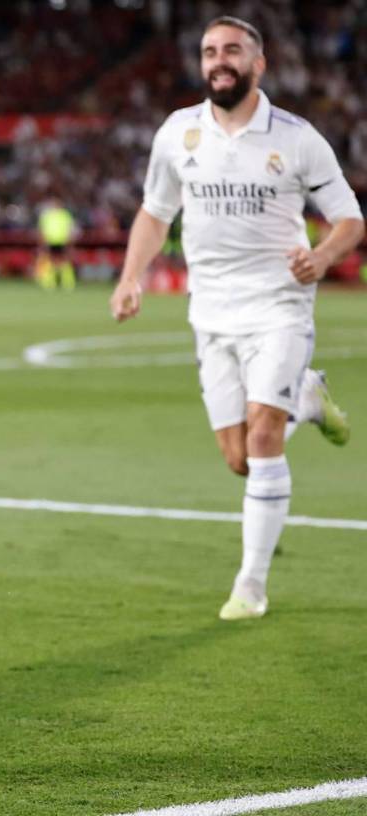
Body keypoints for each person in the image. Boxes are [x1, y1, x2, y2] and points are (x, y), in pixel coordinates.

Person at [110, 16, 363, 621]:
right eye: (209, 52)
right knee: (239, 458)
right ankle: (307, 399)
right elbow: (155, 213)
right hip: (211, 311)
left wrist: (322, 257)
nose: (219, 60)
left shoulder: (298, 138)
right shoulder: (178, 133)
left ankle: (251, 585)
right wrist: (130, 277)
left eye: (232, 51)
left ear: (259, 63)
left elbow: (350, 219)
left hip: (280, 305)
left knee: (264, 438)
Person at [36, 197, 77, 291]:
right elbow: (42, 230)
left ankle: (68, 282)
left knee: (65, 262)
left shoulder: (65, 215)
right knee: (49, 261)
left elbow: (71, 229)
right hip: (50, 241)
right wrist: (42, 241)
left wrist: (70, 241)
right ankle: (49, 282)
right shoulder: (46, 216)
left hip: (63, 241)